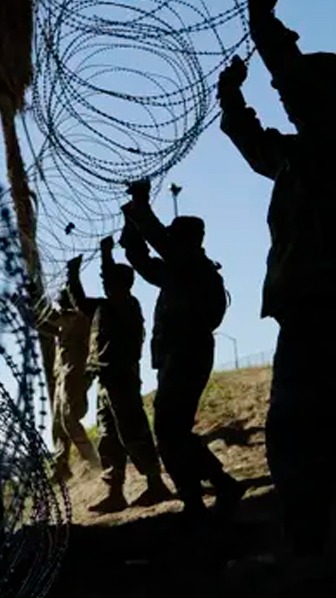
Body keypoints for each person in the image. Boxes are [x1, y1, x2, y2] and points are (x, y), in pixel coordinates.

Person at [216, 0, 336, 558]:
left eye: (304, 92)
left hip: (323, 303)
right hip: (318, 304)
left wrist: (262, 22)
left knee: (295, 427)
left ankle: (309, 545)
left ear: (328, 93)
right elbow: (257, 147)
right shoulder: (308, 154)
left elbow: (292, 82)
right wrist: (231, 101)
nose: (292, 99)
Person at [119, 180, 244, 521]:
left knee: (171, 431)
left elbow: (157, 241)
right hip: (178, 355)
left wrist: (140, 204)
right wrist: (131, 222)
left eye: (174, 238)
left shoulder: (190, 266)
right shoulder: (179, 271)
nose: (168, 243)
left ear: (188, 240)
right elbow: (141, 259)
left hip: (187, 353)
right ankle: (207, 489)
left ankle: (207, 490)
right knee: (172, 431)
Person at [66, 238, 173, 513]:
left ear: (122, 284)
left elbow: (108, 279)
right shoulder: (103, 307)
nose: (104, 284)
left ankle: (155, 483)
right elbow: (78, 301)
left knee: (133, 431)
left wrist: (105, 255)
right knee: (108, 437)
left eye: (110, 280)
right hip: (105, 380)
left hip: (122, 378)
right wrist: (73, 275)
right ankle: (115, 492)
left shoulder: (126, 305)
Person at [38, 289, 101, 482]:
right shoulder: (66, 322)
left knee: (68, 419)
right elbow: (43, 325)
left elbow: (48, 318)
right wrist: (23, 307)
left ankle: (93, 462)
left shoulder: (76, 318)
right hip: (63, 375)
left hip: (74, 373)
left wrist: (34, 300)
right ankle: (61, 465)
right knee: (58, 422)